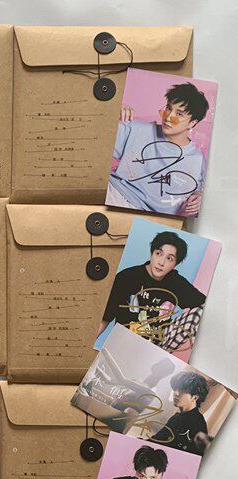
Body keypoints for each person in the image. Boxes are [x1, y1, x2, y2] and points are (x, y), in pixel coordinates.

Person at [107, 82, 210, 216]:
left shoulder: (198, 160)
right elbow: (94, 140)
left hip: (151, 218)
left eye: (179, 114)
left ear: (192, 122)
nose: (168, 117)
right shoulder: (137, 130)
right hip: (115, 194)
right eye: (168, 108)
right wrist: (110, 109)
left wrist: (201, 198)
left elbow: (201, 193)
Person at [97, 230, 206, 349]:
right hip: (124, 343)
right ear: (151, 253)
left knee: (200, 312)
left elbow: (203, 307)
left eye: (169, 258)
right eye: (159, 253)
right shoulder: (126, 277)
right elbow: (105, 318)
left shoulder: (176, 282)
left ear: (175, 264)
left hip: (156, 348)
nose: (161, 262)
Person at [150, 371, 210, 455]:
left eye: (183, 390)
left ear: (195, 398)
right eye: (175, 388)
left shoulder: (198, 424)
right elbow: (157, 439)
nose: (176, 393)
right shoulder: (176, 417)